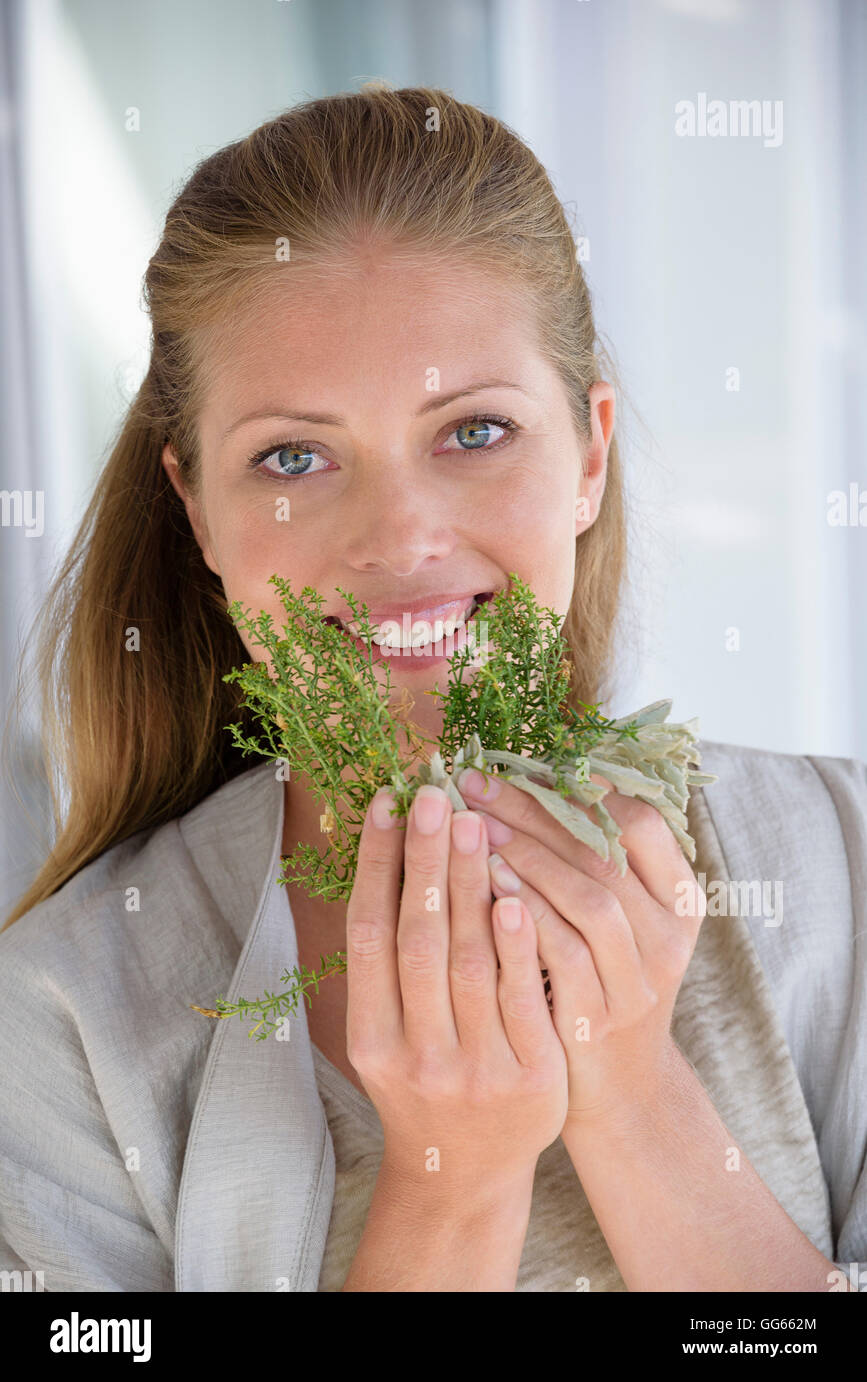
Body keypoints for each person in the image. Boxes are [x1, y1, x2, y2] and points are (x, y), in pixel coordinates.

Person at [1, 85, 864, 1293]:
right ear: (198, 509)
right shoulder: (63, 1021)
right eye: (293, 456)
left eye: (473, 431)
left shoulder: (840, 867)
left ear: (591, 454)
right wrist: (451, 1187)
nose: (400, 537)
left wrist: (629, 1093)